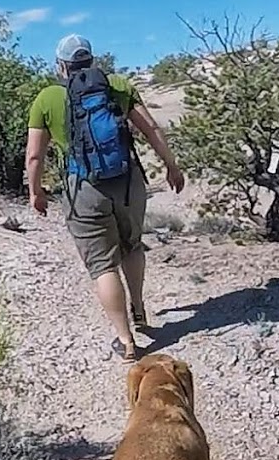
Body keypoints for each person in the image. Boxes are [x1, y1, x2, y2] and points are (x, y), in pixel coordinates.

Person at [25, 34, 185, 363]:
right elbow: (151, 128)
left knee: (102, 266)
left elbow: (34, 158)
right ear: (92, 61)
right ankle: (138, 307)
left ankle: (127, 341)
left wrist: (35, 191)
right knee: (133, 245)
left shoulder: (47, 98)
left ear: (61, 66)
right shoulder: (119, 86)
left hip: (83, 190)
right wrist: (171, 166)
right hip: (128, 183)